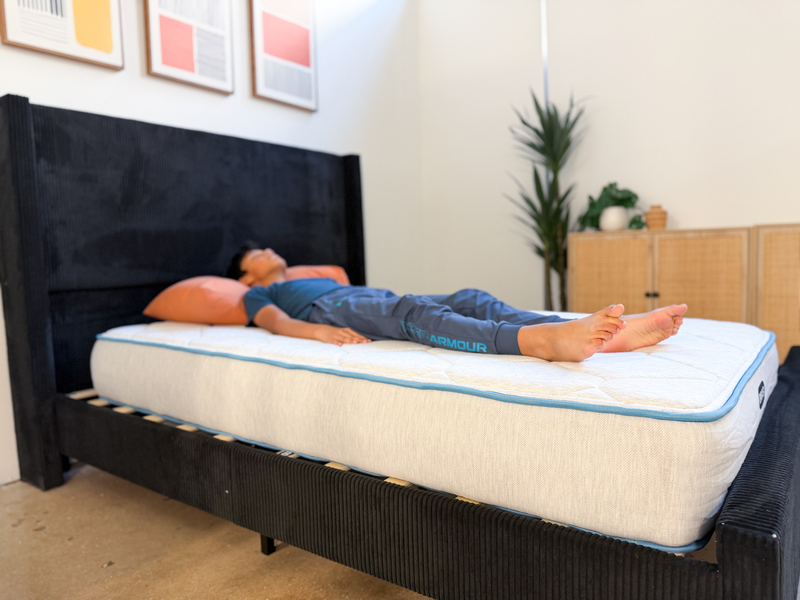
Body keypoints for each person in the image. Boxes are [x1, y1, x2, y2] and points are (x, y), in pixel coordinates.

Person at [226, 244, 688, 362]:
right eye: (256, 255)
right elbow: (274, 322)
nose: (267, 252)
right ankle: (539, 341)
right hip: (330, 312)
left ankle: (607, 333)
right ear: (246, 275)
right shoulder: (258, 292)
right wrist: (318, 332)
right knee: (416, 314)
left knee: (470, 298)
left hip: (363, 296)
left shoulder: (311, 274)